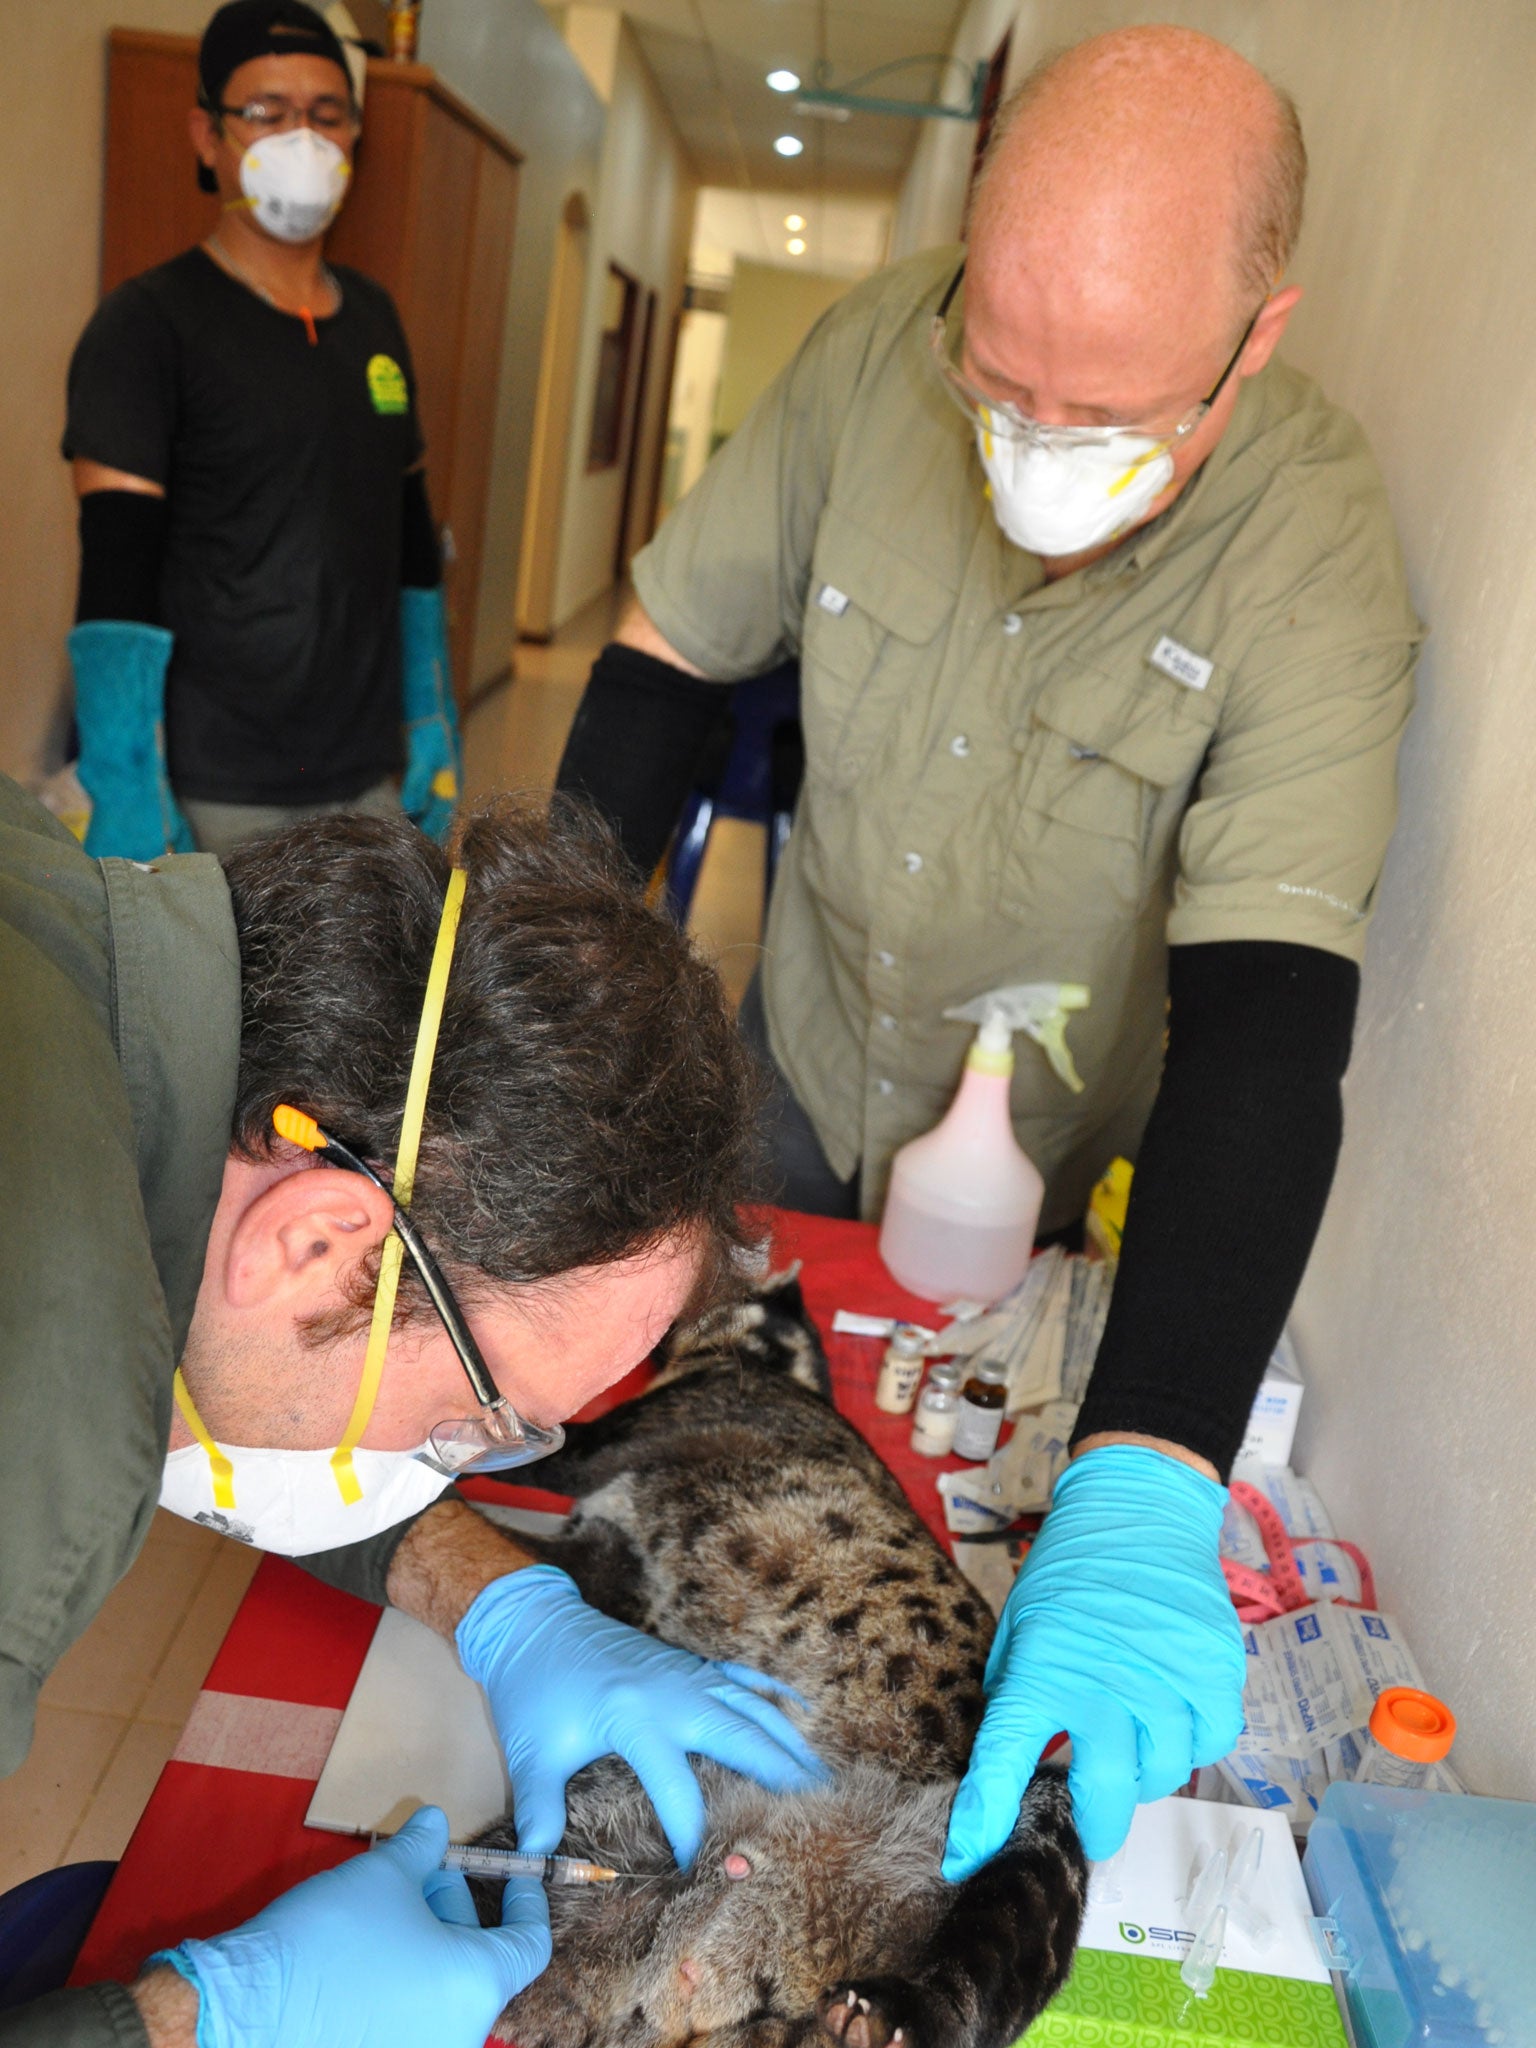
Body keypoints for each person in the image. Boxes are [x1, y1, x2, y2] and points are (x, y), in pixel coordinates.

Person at [555, 27, 1422, 1872]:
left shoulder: (1317, 558)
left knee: (957, 1528)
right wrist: (544, 969)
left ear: (1250, 339)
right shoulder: (872, 351)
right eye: (993, 381)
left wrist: (1146, 1470)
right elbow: (670, 650)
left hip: (1062, 1172)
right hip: (796, 1059)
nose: (1025, 451)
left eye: (1097, 420)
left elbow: (1269, 1028)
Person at [0, 775, 823, 2048]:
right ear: (318, 1240)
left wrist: (503, 1602)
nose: (452, 1457)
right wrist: (188, 2018)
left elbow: (277, 1384)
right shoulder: (39, 1425)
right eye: (476, 1413)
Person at [61, 0, 461, 862]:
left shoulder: (376, 319)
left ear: (355, 133)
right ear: (208, 135)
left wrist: (430, 713)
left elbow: (410, 541)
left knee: (377, 997)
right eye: (265, 113)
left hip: (367, 778)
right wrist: (130, 784)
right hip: (217, 791)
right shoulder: (146, 327)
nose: (301, 139)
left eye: (326, 114)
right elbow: (117, 581)